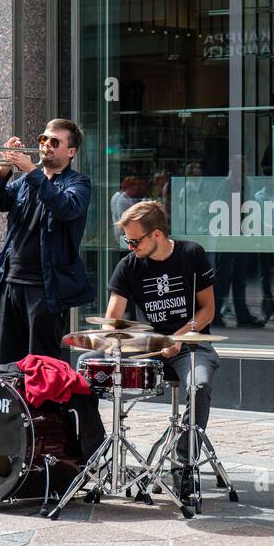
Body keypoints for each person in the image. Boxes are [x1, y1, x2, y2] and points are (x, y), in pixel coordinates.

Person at [98, 200, 218, 499]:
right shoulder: (128, 265)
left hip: (191, 344)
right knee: (87, 369)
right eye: (126, 240)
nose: (130, 247)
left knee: (198, 385)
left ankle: (183, 466)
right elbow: (112, 318)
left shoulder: (192, 254)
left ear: (157, 235)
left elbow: (207, 311)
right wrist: (109, 335)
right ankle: (91, 455)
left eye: (135, 240)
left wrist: (177, 337)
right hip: (149, 348)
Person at [0, 119, 93, 364]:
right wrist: (3, 171)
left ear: (71, 152)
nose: (46, 146)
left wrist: (32, 171)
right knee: (7, 361)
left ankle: (44, 405)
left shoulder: (78, 183)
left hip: (46, 288)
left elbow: (64, 207)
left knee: (42, 364)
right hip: (10, 281)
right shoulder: (24, 182)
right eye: (43, 140)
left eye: (55, 142)